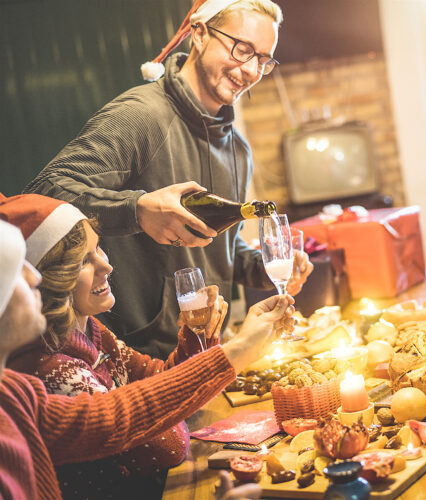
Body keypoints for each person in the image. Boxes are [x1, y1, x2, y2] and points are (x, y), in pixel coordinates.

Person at [24, 0, 312, 358]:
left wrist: (265, 270)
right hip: (137, 361)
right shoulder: (141, 116)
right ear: (200, 34)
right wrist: (138, 210)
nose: (251, 69)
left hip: (203, 355)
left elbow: (219, 246)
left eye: (263, 60)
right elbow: (42, 195)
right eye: (242, 49)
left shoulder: (237, 148)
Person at [0, 217, 295, 500]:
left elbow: (145, 392)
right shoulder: (46, 367)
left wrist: (199, 339)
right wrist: (235, 352)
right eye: (14, 271)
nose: (33, 277)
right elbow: (158, 439)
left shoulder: (18, 389)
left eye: (98, 248)